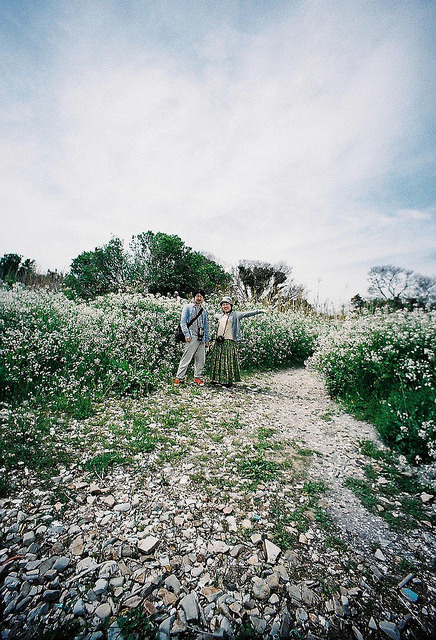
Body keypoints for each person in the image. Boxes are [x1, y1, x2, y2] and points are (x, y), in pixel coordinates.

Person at [209, 296, 266, 387]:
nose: (225, 306)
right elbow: (211, 315)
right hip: (219, 341)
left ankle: (227, 381)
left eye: (227, 304)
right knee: (218, 360)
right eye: (223, 305)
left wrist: (260, 311)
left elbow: (247, 313)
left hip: (229, 341)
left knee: (227, 361)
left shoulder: (236, 315)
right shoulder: (220, 316)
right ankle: (215, 379)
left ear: (231, 305)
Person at [174, 289, 210, 386]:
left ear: (203, 298)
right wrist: (186, 334)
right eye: (197, 296)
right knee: (186, 358)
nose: (199, 298)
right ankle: (179, 378)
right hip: (191, 336)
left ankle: (198, 377)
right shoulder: (188, 307)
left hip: (201, 338)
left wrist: (207, 339)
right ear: (194, 297)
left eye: (201, 297)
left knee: (201, 359)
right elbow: (183, 322)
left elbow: (206, 326)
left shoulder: (203, 311)